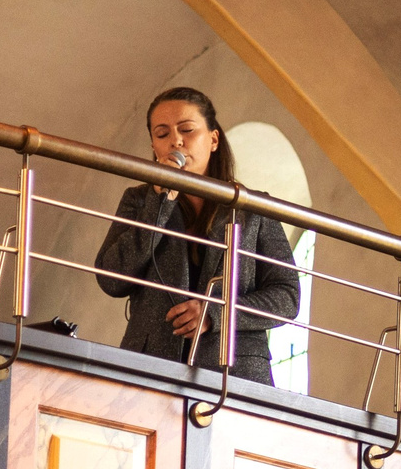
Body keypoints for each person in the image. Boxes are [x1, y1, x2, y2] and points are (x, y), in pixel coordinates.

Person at [95, 87, 299, 382]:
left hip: (236, 371)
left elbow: (287, 297)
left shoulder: (253, 208)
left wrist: (216, 313)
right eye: (162, 134)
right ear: (154, 145)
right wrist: (158, 203)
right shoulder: (139, 200)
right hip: (151, 366)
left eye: (187, 130)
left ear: (213, 139)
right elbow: (111, 278)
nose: (176, 140)